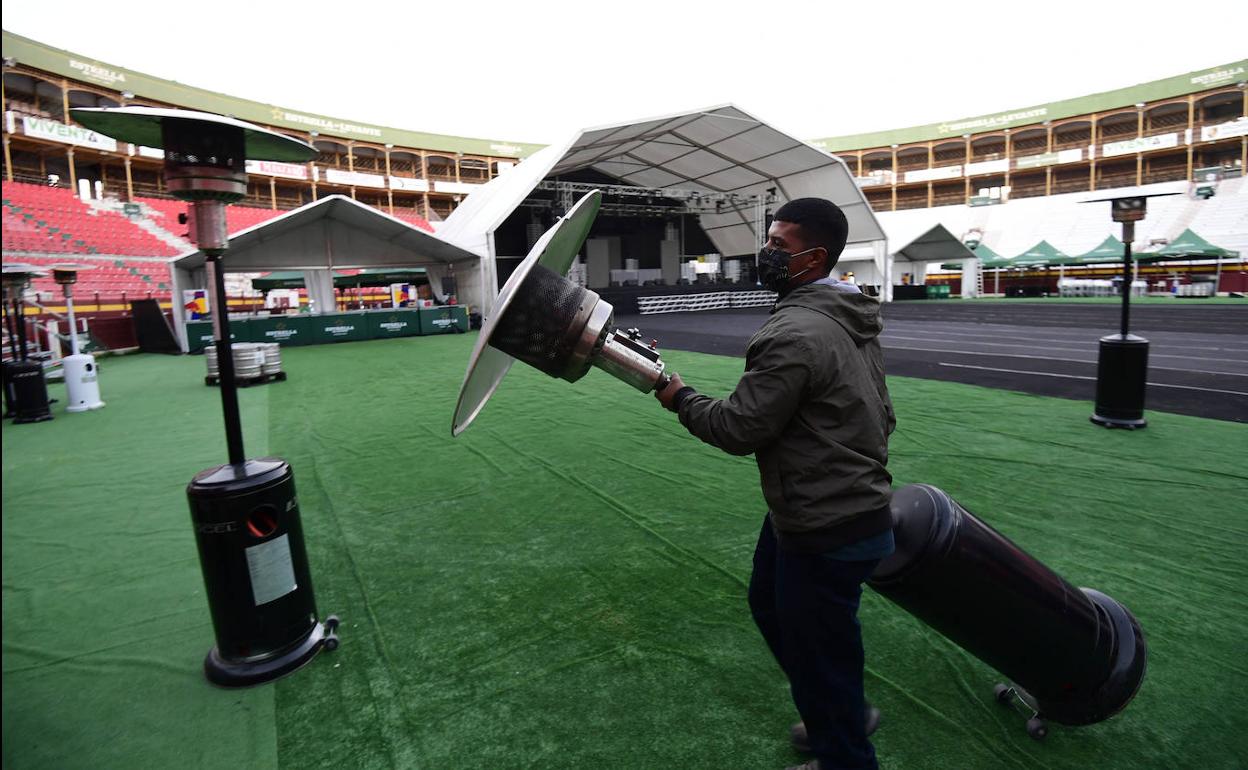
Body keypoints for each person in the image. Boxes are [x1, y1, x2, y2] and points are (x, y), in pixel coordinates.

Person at [656, 198, 896, 770]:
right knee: (773, 603)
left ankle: (845, 752)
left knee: (819, 648)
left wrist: (677, 397)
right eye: (769, 239)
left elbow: (739, 428)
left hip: (826, 517)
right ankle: (837, 712)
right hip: (832, 503)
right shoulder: (846, 309)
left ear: (814, 258)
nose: (766, 253)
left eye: (780, 245)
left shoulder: (794, 330)